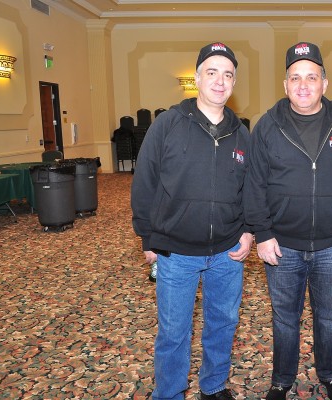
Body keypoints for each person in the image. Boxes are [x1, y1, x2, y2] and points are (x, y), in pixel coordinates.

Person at [131, 42, 253, 400]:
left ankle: (213, 386)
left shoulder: (242, 133)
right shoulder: (168, 124)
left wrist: (248, 231)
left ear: (234, 83)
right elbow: (145, 181)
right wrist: (148, 237)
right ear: (197, 78)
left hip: (227, 252)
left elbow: (251, 189)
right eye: (212, 72)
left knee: (223, 324)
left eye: (227, 75)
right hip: (175, 251)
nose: (220, 81)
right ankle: (169, 392)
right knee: (174, 331)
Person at [244, 42, 332, 400]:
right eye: (295, 77)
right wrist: (263, 234)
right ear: (285, 85)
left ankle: (330, 375)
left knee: (328, 317)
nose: (303, 84)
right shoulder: (267, 126)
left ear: (325, 83)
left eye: (311, 77)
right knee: (284, 318)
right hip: (282, 244)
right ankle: (281, 380)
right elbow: (254, 184)